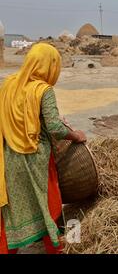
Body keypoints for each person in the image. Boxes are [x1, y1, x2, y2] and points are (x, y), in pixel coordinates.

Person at [0, 43, 86, 254]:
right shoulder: (43, 90)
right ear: (49, 65)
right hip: (35, 158)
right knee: (48, 204)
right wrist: (75, 135)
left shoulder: (9, 84)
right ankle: (54, 248)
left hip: (9, 157)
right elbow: (55, 128)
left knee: (14, 208)